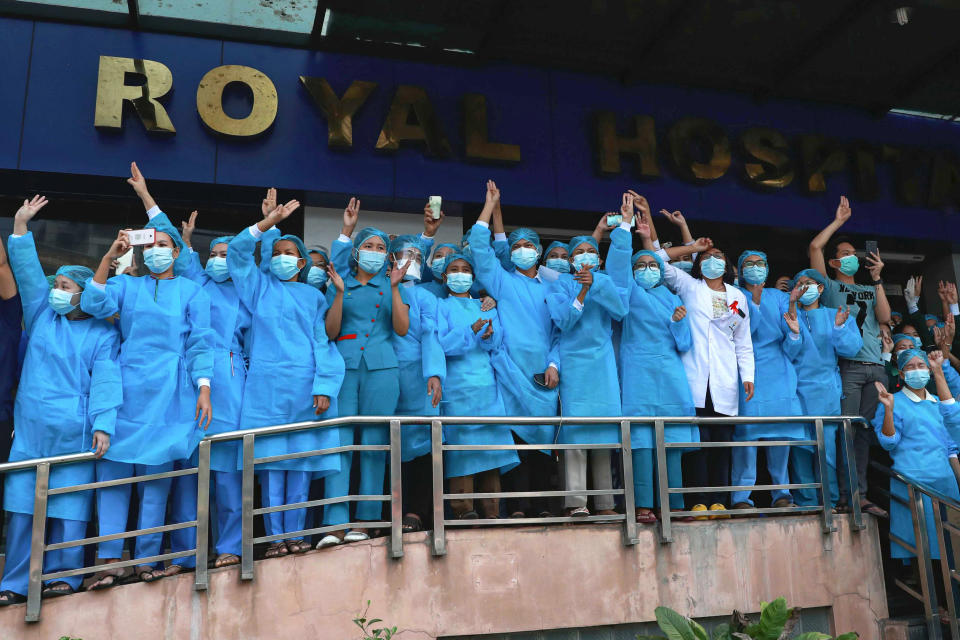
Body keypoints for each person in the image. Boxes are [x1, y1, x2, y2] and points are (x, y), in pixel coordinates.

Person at [81, 163, 214, 585]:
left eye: (164, 245)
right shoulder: (128, 285)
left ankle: (145, 561)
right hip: (126, 391)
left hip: (170, 394)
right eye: (151, 245)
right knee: (114, 482)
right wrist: (109, 258)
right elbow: (95, 303)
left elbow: (200, 344)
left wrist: (204, 389)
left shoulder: (193, 290)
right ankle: (107, 563)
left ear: (177, 252)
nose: (157, 250)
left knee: (156, 487)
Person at [0, 196, 121, 605]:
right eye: (57, 286)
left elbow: (107, 381)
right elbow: (30, 274)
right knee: (21, 511)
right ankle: (14, 583)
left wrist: (103, 423)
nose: (56, 291)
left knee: (69, 511)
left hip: (75, 433)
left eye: (65, 287)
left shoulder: (103, 336)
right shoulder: (40, 315)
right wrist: (20, 226)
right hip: (31, 431)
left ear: (84, 294)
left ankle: (63, 578)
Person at [228, 199, 344, 558]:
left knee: (301, 468)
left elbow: (323, 343)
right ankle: (273, 539)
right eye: (276, 252)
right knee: (271, 470)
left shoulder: (313, 296)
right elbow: (236, 252)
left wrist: (324, 386)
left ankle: (296, 536)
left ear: (301, 261)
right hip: (264, 392)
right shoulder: (258, 288)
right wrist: (268, 223)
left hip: (304, 390)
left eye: (289, 252)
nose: (281, 256)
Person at [646, 212, 753, 518]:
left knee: (721, 444)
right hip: (693, 377)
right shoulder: (689, 285)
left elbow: (743, 341)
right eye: (707, 257)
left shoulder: (737, 296)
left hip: (725, 380)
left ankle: (719, 501)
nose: (712, 260)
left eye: (718, 256)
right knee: (696, 444)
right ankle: (698, 500)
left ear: (727, 263)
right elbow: (655, 260)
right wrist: (692, 245)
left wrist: (748, 375)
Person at [468, 180, 560, 518]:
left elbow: (560, 335)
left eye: (528, 245)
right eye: (516, 245)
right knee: (517, 445)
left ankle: (545, 509)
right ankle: (519, 508)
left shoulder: (553, 287)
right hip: (511, 375)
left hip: (544, 378)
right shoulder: (503, 282)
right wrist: (490, 206)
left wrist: (555, 365)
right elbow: (480, 248)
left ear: (538, 251)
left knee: (544, 448)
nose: (522, 250)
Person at [606, 202, 696, 524]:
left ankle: (674, 503)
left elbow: (685, 344)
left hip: (670, 374)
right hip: (637, 373)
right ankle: (643, 505)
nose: (647, 268)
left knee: (670, 442)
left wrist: (676, 322)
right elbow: (617, 269)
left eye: (651, 265)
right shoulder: (629, 292)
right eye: (641, 265)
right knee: (642, 443)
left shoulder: (673, 298)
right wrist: (625, 229)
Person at [322, 212, 409, 545]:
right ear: (356, 250)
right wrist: (341, 294)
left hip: (383, 371)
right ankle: (333, 522)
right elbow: (331, 331)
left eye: (380, 247)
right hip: (344, 368)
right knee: (339, 443)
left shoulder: (391, 285)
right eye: (368, 245)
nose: (373, 250)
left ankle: (366, 520)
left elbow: (401, 328)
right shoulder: (339, 282)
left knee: (374, 445)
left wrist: (396, 288)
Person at [175, 209, 251, 569]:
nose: (219, 260)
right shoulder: (197, 283)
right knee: (189, 470)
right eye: (214, 254)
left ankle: (230, 546)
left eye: (226, 254)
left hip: (231, 376)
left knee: (228, 468)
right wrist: (146, 197)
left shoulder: (246, 289)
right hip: (190, 377)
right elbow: (178, 252)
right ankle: (186, 550)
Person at [809, 196, 891, 516]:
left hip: (876, 367)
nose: (850, 258)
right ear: (833, 263)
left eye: (853, 255)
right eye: (844, 255)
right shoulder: (828, 287)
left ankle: (860, 494)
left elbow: (884, 317)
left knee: (863, 432)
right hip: (848, 367)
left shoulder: (870, 289)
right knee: (846, 429)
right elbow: (815, 248)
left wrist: (877, 279)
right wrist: (838, 222)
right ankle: (846, 495)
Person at [547, 233, 627, 517]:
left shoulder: (604, 281)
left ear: (599, 259)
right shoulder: (559, 286)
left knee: (604, 434)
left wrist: (596, 286)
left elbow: (620, 311)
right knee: (577, 433)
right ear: (570, 261)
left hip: (602, 365)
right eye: (578, 252)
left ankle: (606, 504)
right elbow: (564, 322)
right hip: (574, 365)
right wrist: (581, 292)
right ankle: (577, 503)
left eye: (589, 251)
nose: (584, 256)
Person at [435, 253, 518, 519]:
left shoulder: (486, 306)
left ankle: (492, 512)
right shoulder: (440, 306)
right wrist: (470, 331)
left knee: (491, 454)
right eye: (454, 269)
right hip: (458, 389)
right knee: (462, 454)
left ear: (473, 277)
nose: (461, 274)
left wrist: (488, 337)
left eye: (466, 269)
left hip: (487, 387)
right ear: (444, 277)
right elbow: (443, 347)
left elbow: (497, 344)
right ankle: (463, 512)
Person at [728, 250, 805, 511]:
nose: (755, 267)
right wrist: (756, 303)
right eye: (748, 264)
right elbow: (739, 332)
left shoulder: (781, 297)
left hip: (779, 371)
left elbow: (793, 339)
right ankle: (741, 497)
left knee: (780, 436)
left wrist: (794, 328)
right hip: (747, 371)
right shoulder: (733, 296)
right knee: (747, 437)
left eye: (760, 263)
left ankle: (782, 493)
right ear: (739, 269)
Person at [874, 350, 960, 571]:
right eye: (910, 367)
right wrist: (889, 411)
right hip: (913, 480)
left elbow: (951, 446)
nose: (917, 370)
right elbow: (889, 442)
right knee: (922, 546)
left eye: (920, 365)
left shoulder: (938, 402)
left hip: (945, 482)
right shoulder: (894, 401)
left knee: (952, 546)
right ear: (901, 374)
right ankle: (937, 602)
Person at [381, 235, 443, 535]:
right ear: (391, 259)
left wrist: (434, 372)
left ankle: (416, 511)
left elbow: (431, 334)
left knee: (422, 448)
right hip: (382, 375)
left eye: (417, 257)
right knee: (386, 447)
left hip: (419, 378)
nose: (411, 262)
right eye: (405, 255)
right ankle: (386, 514)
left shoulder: (427, 297)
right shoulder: (378, 290)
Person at [786, 269, 862, 509]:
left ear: (820, 288)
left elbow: (851, 349)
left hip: (825, 390)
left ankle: (827, 502)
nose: (804, 287)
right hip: (794, 389)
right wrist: (795, 333)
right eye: (799, 284)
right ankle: (805, 502)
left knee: (826, 450)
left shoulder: (836, 315)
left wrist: (839, 329)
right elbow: (786, 353)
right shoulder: (789, 314)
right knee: (799, 449)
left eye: (809, 283)